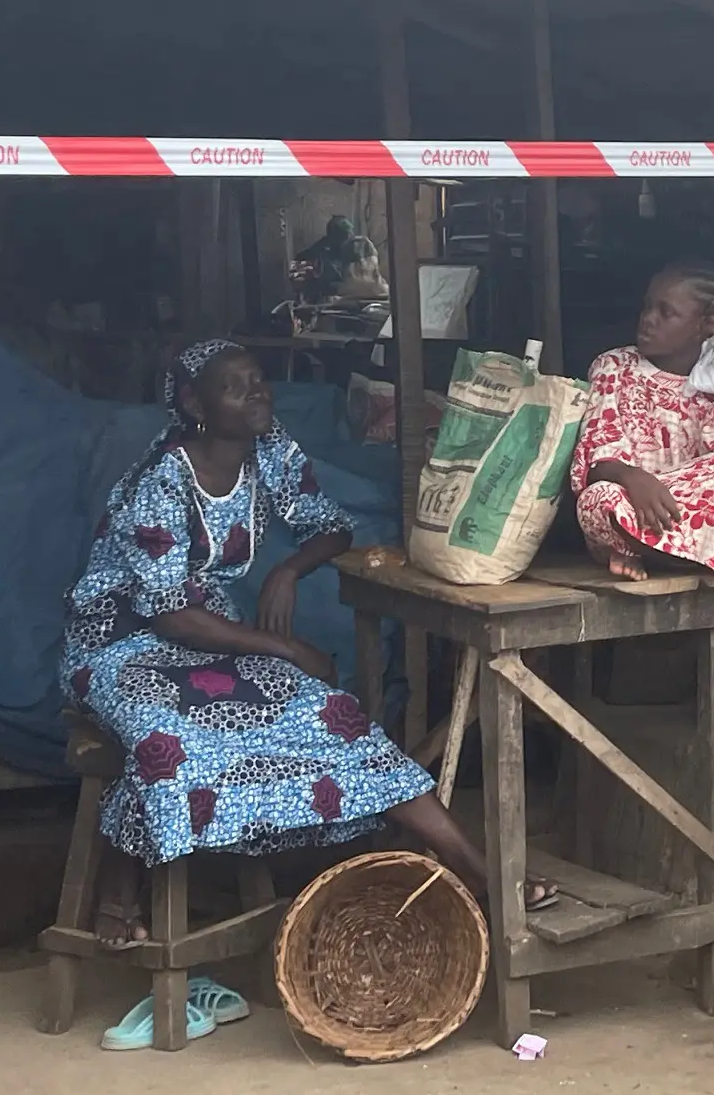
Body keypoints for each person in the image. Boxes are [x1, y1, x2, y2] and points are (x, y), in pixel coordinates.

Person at [63, 341, 553, 960]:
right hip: (120, 645)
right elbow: (168, 614)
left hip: (212, 639)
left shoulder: (270, 451)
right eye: (233, 387)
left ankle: (475, 869)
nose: (256, 393)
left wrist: (287, 571)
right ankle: (119, 883)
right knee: (170, 735)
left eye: (257, 380)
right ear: (195, 405)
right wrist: (284, 648)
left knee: (334, 716)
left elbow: (330, 525)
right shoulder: (159, 483)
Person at [571, 261, 714, 580]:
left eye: (666, 312)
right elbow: (595, 457)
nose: (648, 319)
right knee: (599, 500)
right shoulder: (614, 366)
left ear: (701, 327)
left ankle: (656, 553)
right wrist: (634, 479)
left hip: (683, 513)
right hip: (630, 502)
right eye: (647, 307)